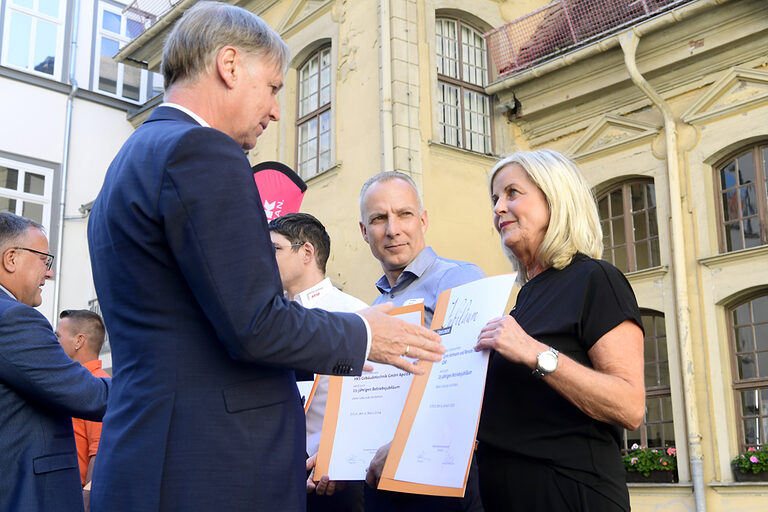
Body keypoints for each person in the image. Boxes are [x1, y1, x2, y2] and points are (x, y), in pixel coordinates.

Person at [86, 3, 442, 511]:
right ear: (229, 65)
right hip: (211, 466)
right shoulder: (203, 151)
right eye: (274, 87)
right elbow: (255, 324)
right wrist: (365, 334)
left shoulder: (134, 157)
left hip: (155, 455)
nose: (277, 109)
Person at [474, 149, 645, 511]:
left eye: (512, 193)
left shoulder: (596, 279)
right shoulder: (526, 298)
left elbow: (630, 406)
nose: (498, 208)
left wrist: (536, 354)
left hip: (570, 492)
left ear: (556, 197)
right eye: (495, 199)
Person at [357, 171, 486, 511]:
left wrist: (404, 445)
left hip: (441, 475)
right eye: (379, 218)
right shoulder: (372, 311)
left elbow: (466, 382)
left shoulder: (459, 279)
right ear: (364, 232)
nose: (393, 229)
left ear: (423, 220)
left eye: (404, 214)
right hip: (381, 478)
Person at [0, 212, 110, 511]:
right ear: (10, 259)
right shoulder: (13, 318)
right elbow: (88, 395)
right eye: (43, 260)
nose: (49, 273)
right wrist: (156, 382)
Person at [268, 212, 366, 512]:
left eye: (273, 249)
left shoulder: (355, 316)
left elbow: (372, 406)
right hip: (274, 480)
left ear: (307, 252)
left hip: (335, 483)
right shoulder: (266, 322)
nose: (263, 259)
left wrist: (340, 456)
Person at [55, 309, 110, 491]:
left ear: (79, 341)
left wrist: (86, 499)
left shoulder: (97, 387)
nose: (53, 344)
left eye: (58, 337)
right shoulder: (74, 385)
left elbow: (100, 451)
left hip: (78, 494)